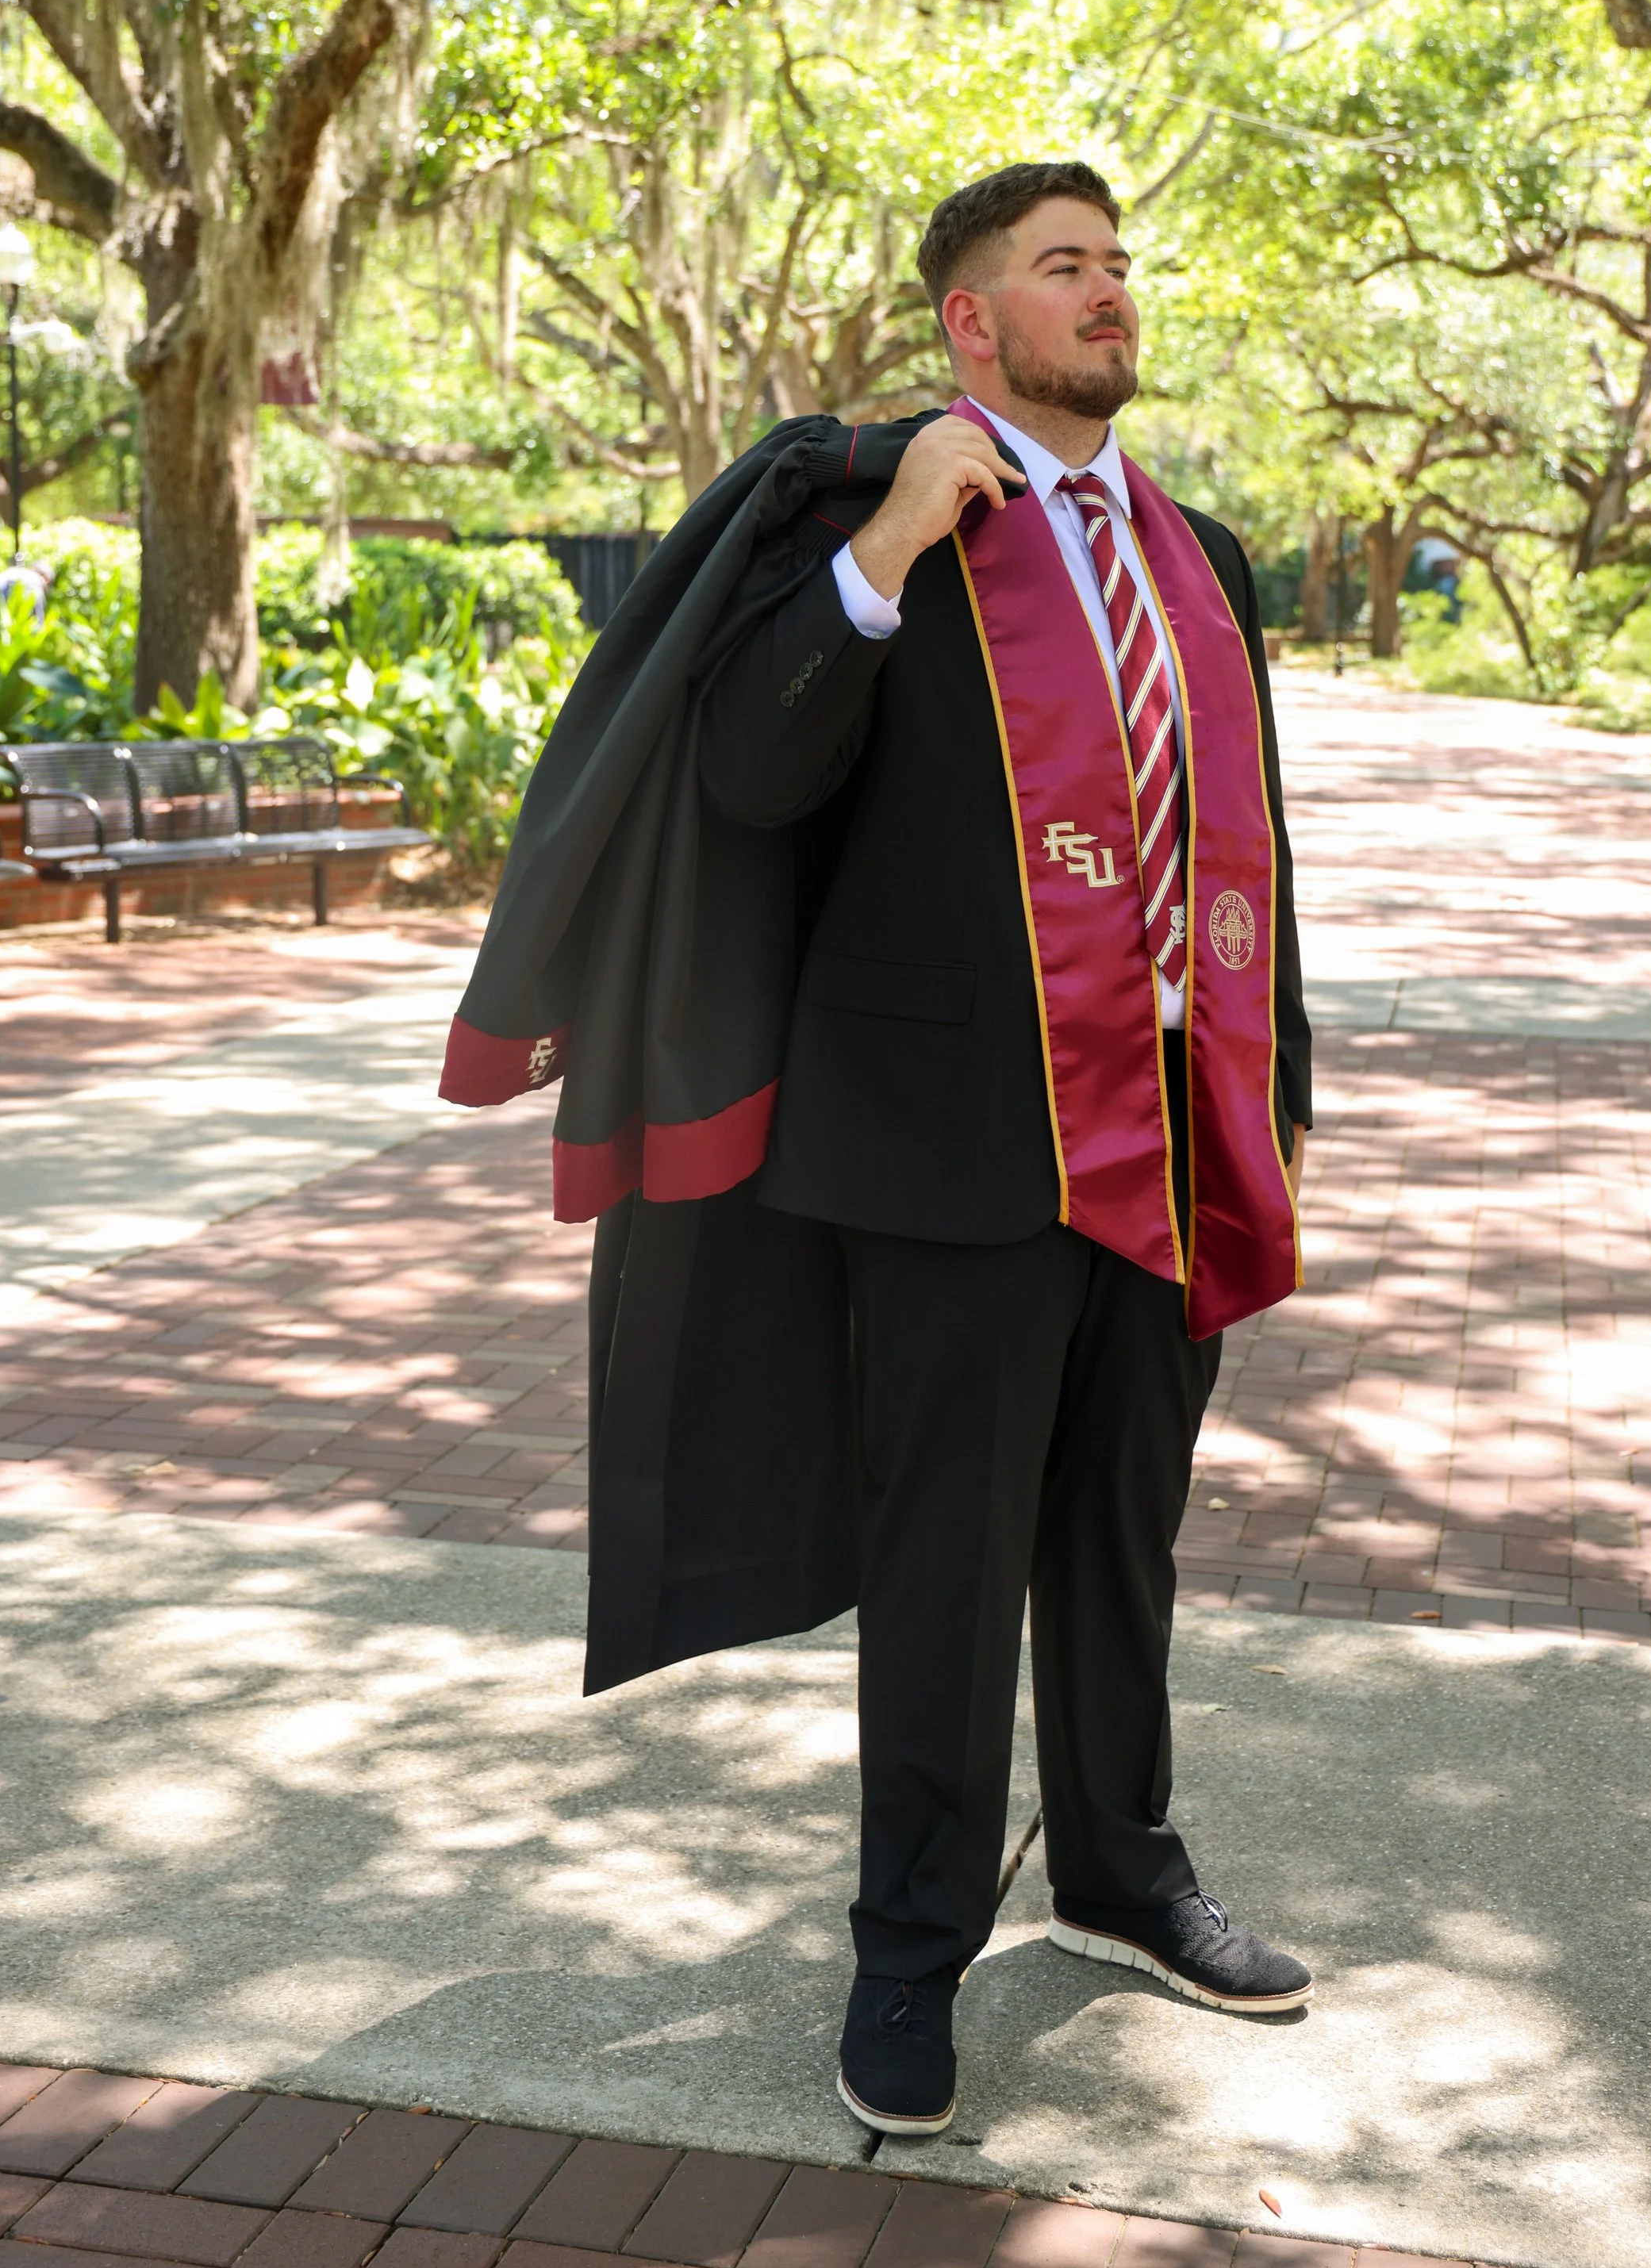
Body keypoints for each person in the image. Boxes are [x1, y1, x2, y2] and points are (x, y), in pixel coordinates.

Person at [440, 159, 1313, 2143]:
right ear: (969, 323)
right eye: (1058, 267)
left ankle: (1117, 1870)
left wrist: (1280, 1097)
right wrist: (887, 555)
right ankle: (906, 1952)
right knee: (947, 1566)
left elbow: (1248, 848)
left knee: (1119, 1536)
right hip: (947, 1150)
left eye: (1116, 262)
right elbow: (749, 769)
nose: (1105, 291)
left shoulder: (1205, 556)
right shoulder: (866, 508)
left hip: (1169, 1134)